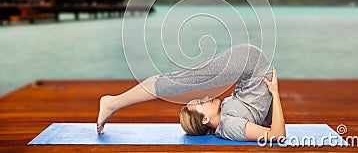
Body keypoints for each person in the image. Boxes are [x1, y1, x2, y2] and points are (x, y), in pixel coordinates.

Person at [97, 43, 286, 142]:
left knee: (180, 81)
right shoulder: (229, 126)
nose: (205, 98)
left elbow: (260, 116)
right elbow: (276, 134)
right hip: (250, 62)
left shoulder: (225, 113)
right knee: (178, 81)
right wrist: (274, 93)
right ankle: (112, 103)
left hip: (247, 62)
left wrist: (271, 92)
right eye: (201, 103)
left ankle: (113, 103)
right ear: (205, 120)